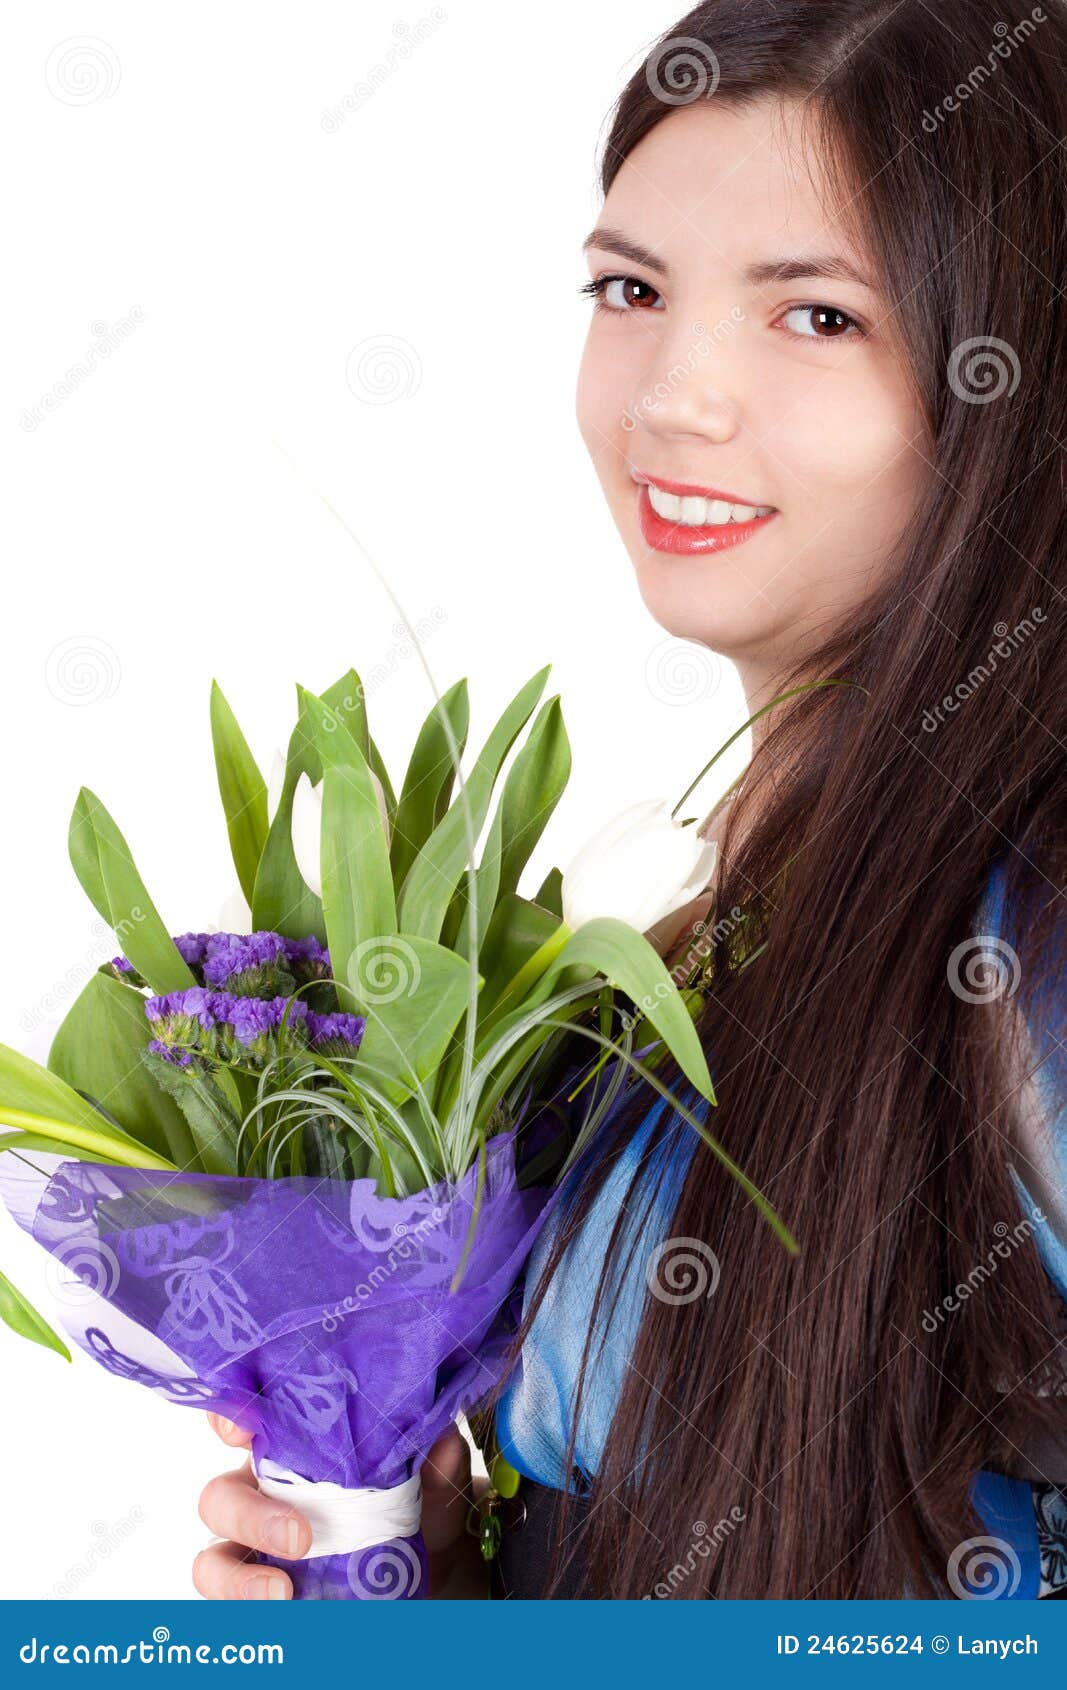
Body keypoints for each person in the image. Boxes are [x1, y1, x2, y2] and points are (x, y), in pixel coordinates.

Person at [193, 0, 1067, 1599]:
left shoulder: (1033, 933)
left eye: (817, 318)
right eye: (631, 289)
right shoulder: (698, 927)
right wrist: (465, 1591)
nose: (676, 394)